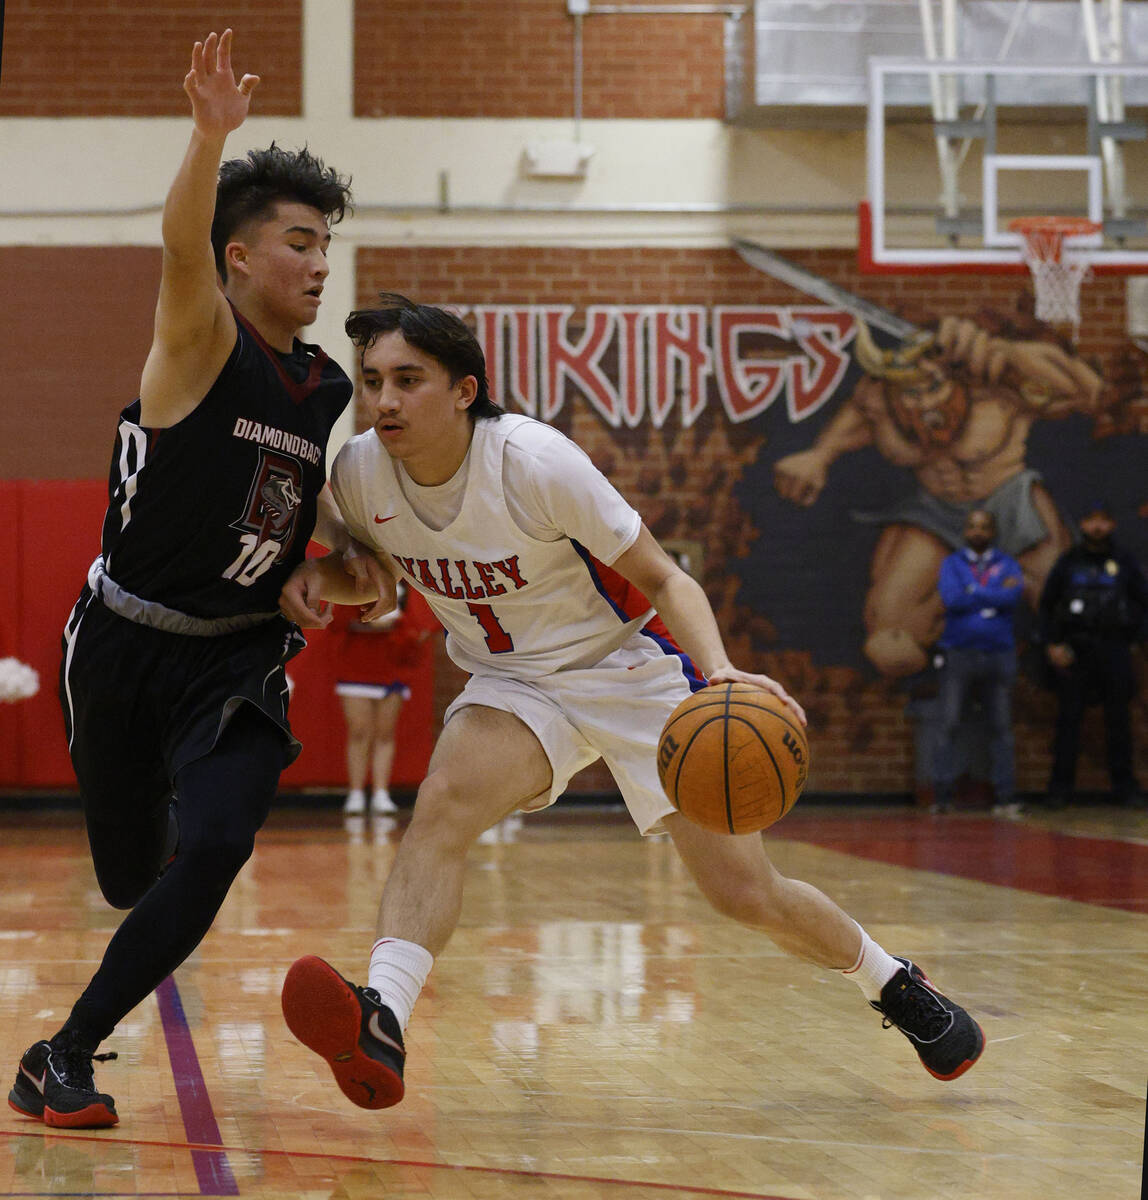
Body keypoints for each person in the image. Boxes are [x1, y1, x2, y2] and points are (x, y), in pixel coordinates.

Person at [276, 293, 985, 1114]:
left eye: (407, 379)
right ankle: (383, 1016)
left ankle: (892, 982)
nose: (385, 400)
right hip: (511, 684)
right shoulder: (360, 473)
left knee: (742, 893)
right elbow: (381, 581)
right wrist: (318, 577)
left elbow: (664, 577)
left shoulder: (535, 462)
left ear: (463, 389)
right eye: (371, 382)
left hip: (626, 665)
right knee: (441, 807)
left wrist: (718, 673)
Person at [7, 31, 384, 1130]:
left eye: (328, 246)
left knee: (216, 845)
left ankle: (62, 1052)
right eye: (300, 243)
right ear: (238, 259)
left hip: (234, 651)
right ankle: (154, 881)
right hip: (120, 641)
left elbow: (304, 522)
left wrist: (338, 579)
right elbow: (177, 248)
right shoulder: (197, 339)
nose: (321, 264)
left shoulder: (322, 389)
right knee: (136, 881)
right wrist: (208, 135)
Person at [773, 314, 1103, 677]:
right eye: (911, 393)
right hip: (937, 512)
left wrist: (1007, 353)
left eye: (933, 385)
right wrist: (819, 455)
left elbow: (1085, 391)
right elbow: (857, 419)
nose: (925, 404)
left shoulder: (995, 385)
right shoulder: (883, 400)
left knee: (1068, 620)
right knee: (891, 642)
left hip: (1010, 500)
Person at [1037, 501, 1148, 809]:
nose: (1097, 527)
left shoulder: (1125, 562)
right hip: (1076, 650)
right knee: (1069, 721)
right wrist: (1052, 644)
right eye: (1091, 521)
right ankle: (1060, 789)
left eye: (1103, 521)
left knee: (1119, 722)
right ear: (1082, 525)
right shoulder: (1068, 562)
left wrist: (1136, 641)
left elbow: (1142, 604)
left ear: (1111, 525)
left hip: (1114, 649)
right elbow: (1047, 607)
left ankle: (1125, 787)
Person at [931, 509, 1024, 816]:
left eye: (985, 526)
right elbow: (952, 599)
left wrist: (974, 590)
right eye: (972, 526)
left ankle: (1005, 797)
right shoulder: (953, 563)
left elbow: (1012, 597)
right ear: (965, 531)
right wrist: (991, 596)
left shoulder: (1007, 564)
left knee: (1001, 727)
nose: (978, 531)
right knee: (949, 723)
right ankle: (943, 798)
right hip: (959, 653)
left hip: (998, 654)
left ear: (993, 531)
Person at [332, 581, 438, 815]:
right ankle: (356, 793)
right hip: (356, 665)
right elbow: (337, 620)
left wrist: (402, 625)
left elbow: (422, 623)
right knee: (359, 732)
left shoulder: (408, 582)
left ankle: (381, 792)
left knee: (385, 732)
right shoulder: (354, 578)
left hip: (392, 664)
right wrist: (364, 619)